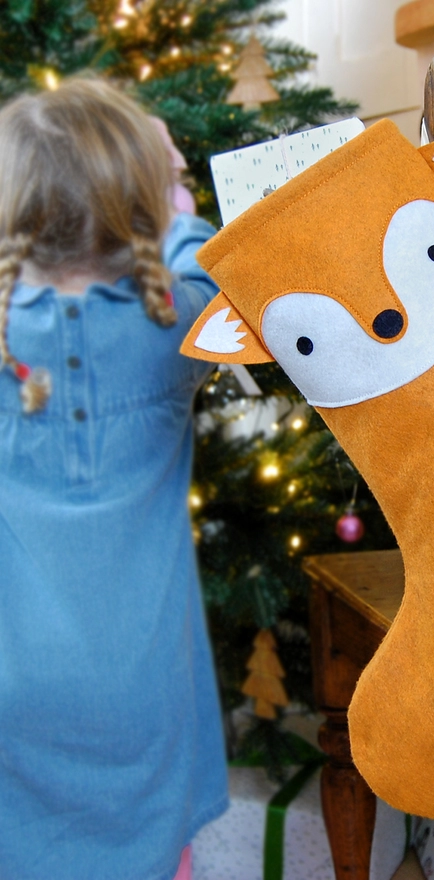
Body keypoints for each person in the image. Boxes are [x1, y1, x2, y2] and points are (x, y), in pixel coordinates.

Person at [0, 77, 228, 880]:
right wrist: (175, 192)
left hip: (11, 694)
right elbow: (206, 264)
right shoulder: (175, 327)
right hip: (144, 698)